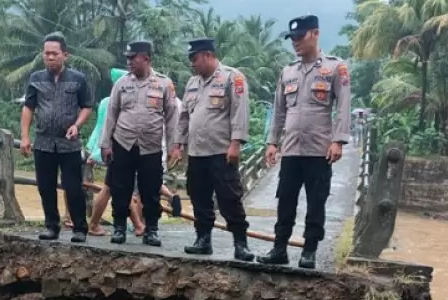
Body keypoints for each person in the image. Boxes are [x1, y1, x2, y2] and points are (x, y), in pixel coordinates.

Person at [256, 15, 351, 268]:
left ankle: (309, 251)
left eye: (300, 36)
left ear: (315, 34)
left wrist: (338, 141)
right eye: (292, 38)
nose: (295, 42)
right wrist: (272, 142)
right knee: (285, 199)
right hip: (291, 149)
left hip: (319, 149)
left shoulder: (335, 68)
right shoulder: (288, 71)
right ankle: (279, 248)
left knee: (316, 201)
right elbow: (279, 111)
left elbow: (343, 106)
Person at [167, 38, 254, 261]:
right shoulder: (192, 82)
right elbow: (184, 117)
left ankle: (240, 243)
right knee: (199, 197)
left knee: (229, 198)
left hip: (221, 151)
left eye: (194, 58)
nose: (192, 63)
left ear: (207, 55)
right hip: (197, 153)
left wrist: (236, 143)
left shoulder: (232, 78)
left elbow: (240, 112)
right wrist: (178, 145)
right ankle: (203, 240)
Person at [100, 41, 179, 247]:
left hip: (151, 146)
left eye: (133, 58)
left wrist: (174, 147)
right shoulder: (122, 84)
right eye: (127, 58)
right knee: (120, 187)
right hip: (123, 143)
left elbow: (172, 118)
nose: (129, 62)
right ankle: (119, 228)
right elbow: (111, 114)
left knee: (151, 190)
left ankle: (151, 230)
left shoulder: (164, 84)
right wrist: (105, 144)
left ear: (146, 58)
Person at [20, 33, 94, 243]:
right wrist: (24, 136)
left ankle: (80, 228)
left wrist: (77, 125)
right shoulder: (35, 79)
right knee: (45, 187)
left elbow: (87, 106)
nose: (50, 57)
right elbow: (28, 107)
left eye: (55, 53)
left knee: (73, 187)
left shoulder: (78, 79)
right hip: (43, 142)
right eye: (47, 54)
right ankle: (51, 226)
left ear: (65, 55)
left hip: (69, 144)